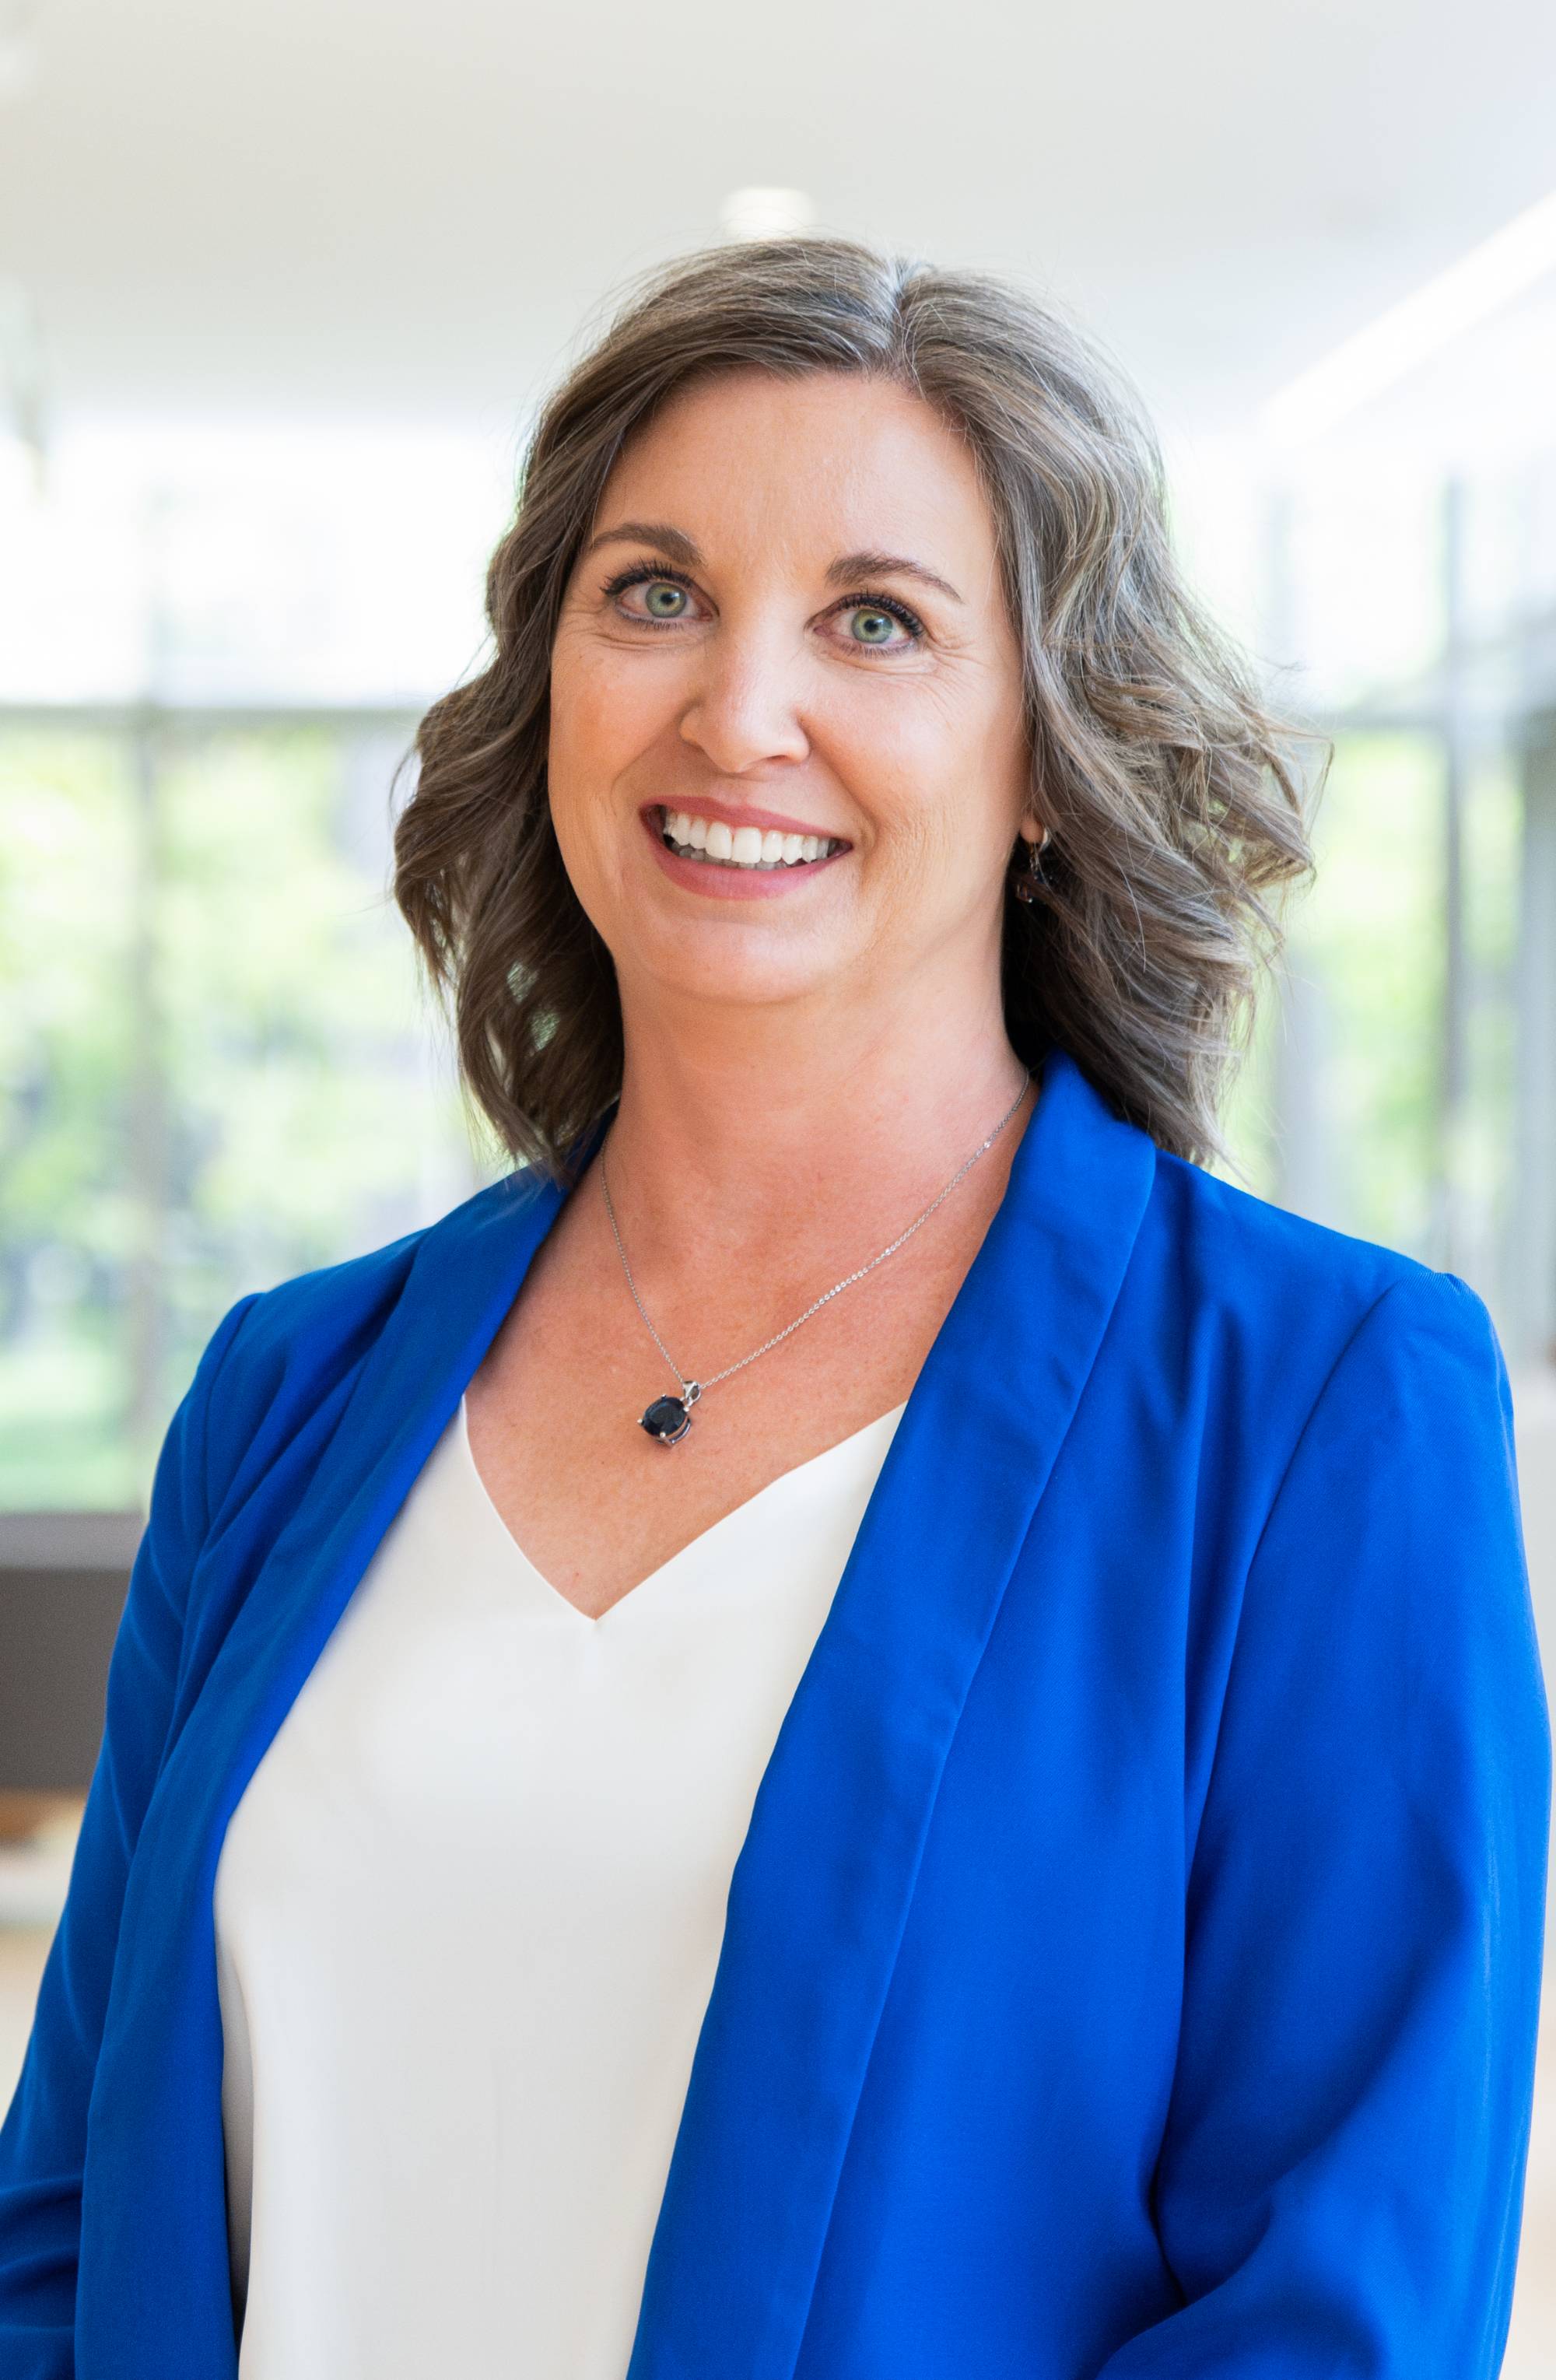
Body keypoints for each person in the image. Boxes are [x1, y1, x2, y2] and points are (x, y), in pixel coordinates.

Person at [0, 236, 1548, 2380]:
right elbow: (70, 2219)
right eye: (654, 593)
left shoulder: (1316, 1408)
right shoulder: (291, 1390)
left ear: (1042, 756)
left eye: (878, 621)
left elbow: (1339, 2312)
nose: (739, 707)